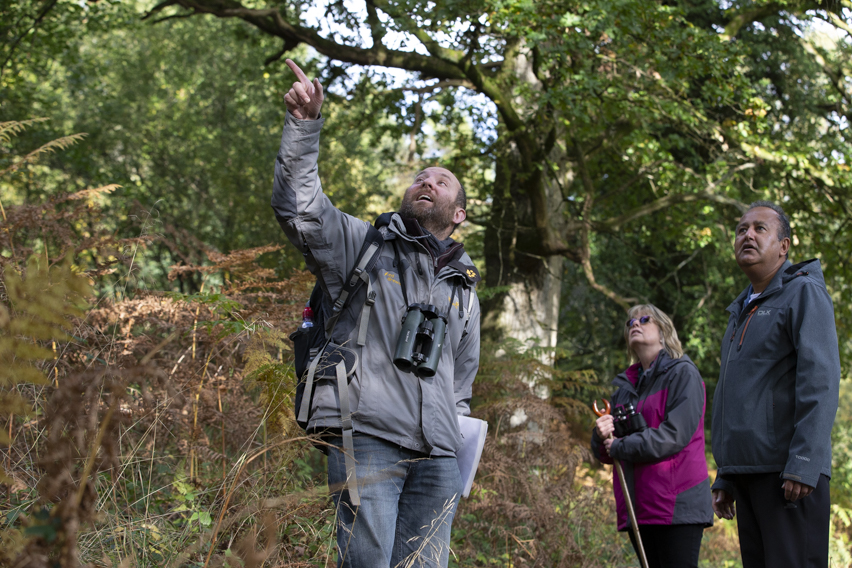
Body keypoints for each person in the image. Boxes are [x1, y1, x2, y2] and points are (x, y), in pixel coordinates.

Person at [272, 59, 481, 568]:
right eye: (420, 177)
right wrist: (304, 127)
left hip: (437, 455)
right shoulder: (362, 246)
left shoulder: (465, 290)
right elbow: (300, 207)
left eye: (442, 180)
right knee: (366, 561)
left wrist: (453, 437)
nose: (426, 181)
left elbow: (461, 381)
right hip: (367, 436)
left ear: (459, 214)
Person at [710, 201, 840, 567]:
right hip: (749, 475)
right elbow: (736, 399)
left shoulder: (803, 294)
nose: (747, 235)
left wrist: (803, 461)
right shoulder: (740, 310)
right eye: (741, 229)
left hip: (789, 477)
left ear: (784, 246)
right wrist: (726, 474)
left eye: (759, 228)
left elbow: (821, 381)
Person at [592, 304, 713, 568]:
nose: (634, 324)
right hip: (640, 507)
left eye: (644, 319)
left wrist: (619, 446)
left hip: (677, 506)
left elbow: (673, 435)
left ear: (663, 332)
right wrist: (601, 434)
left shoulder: (683, 373)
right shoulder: (624, 387)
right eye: (630, 323)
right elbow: (607, 450)